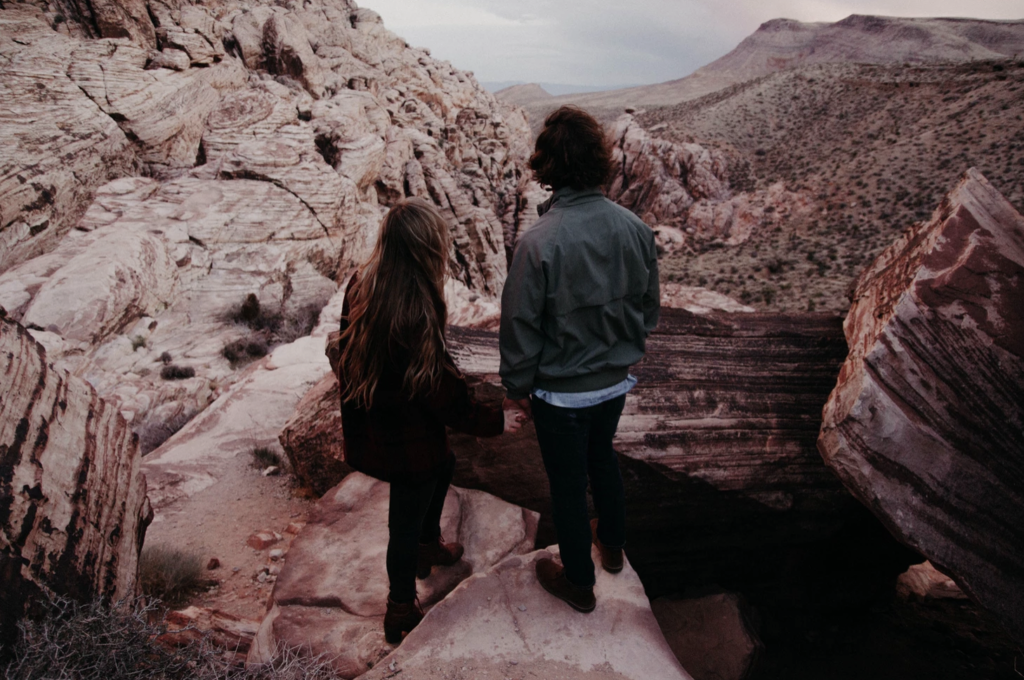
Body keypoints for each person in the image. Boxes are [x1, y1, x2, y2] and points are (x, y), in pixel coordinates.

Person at [335, 198, 526, 644]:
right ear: (425, 248)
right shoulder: (416, 309)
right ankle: (400, 607)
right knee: (405, 514)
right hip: (407, 433)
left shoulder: (363, 282)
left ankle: (427, 545)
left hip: (377, 419)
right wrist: (494, 421)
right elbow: (439, 392)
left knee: (444, 465)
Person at [499, 106, 660, 613]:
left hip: (560, 394)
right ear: (597, 160)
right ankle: (611, 546)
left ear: (548, 166)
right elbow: (649, 310)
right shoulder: (635, 229)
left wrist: (515, 386)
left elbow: (520, 327)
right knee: (602, 458)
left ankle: (579, 583)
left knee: (568, 485)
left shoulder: (538, 243)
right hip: (615, 383)